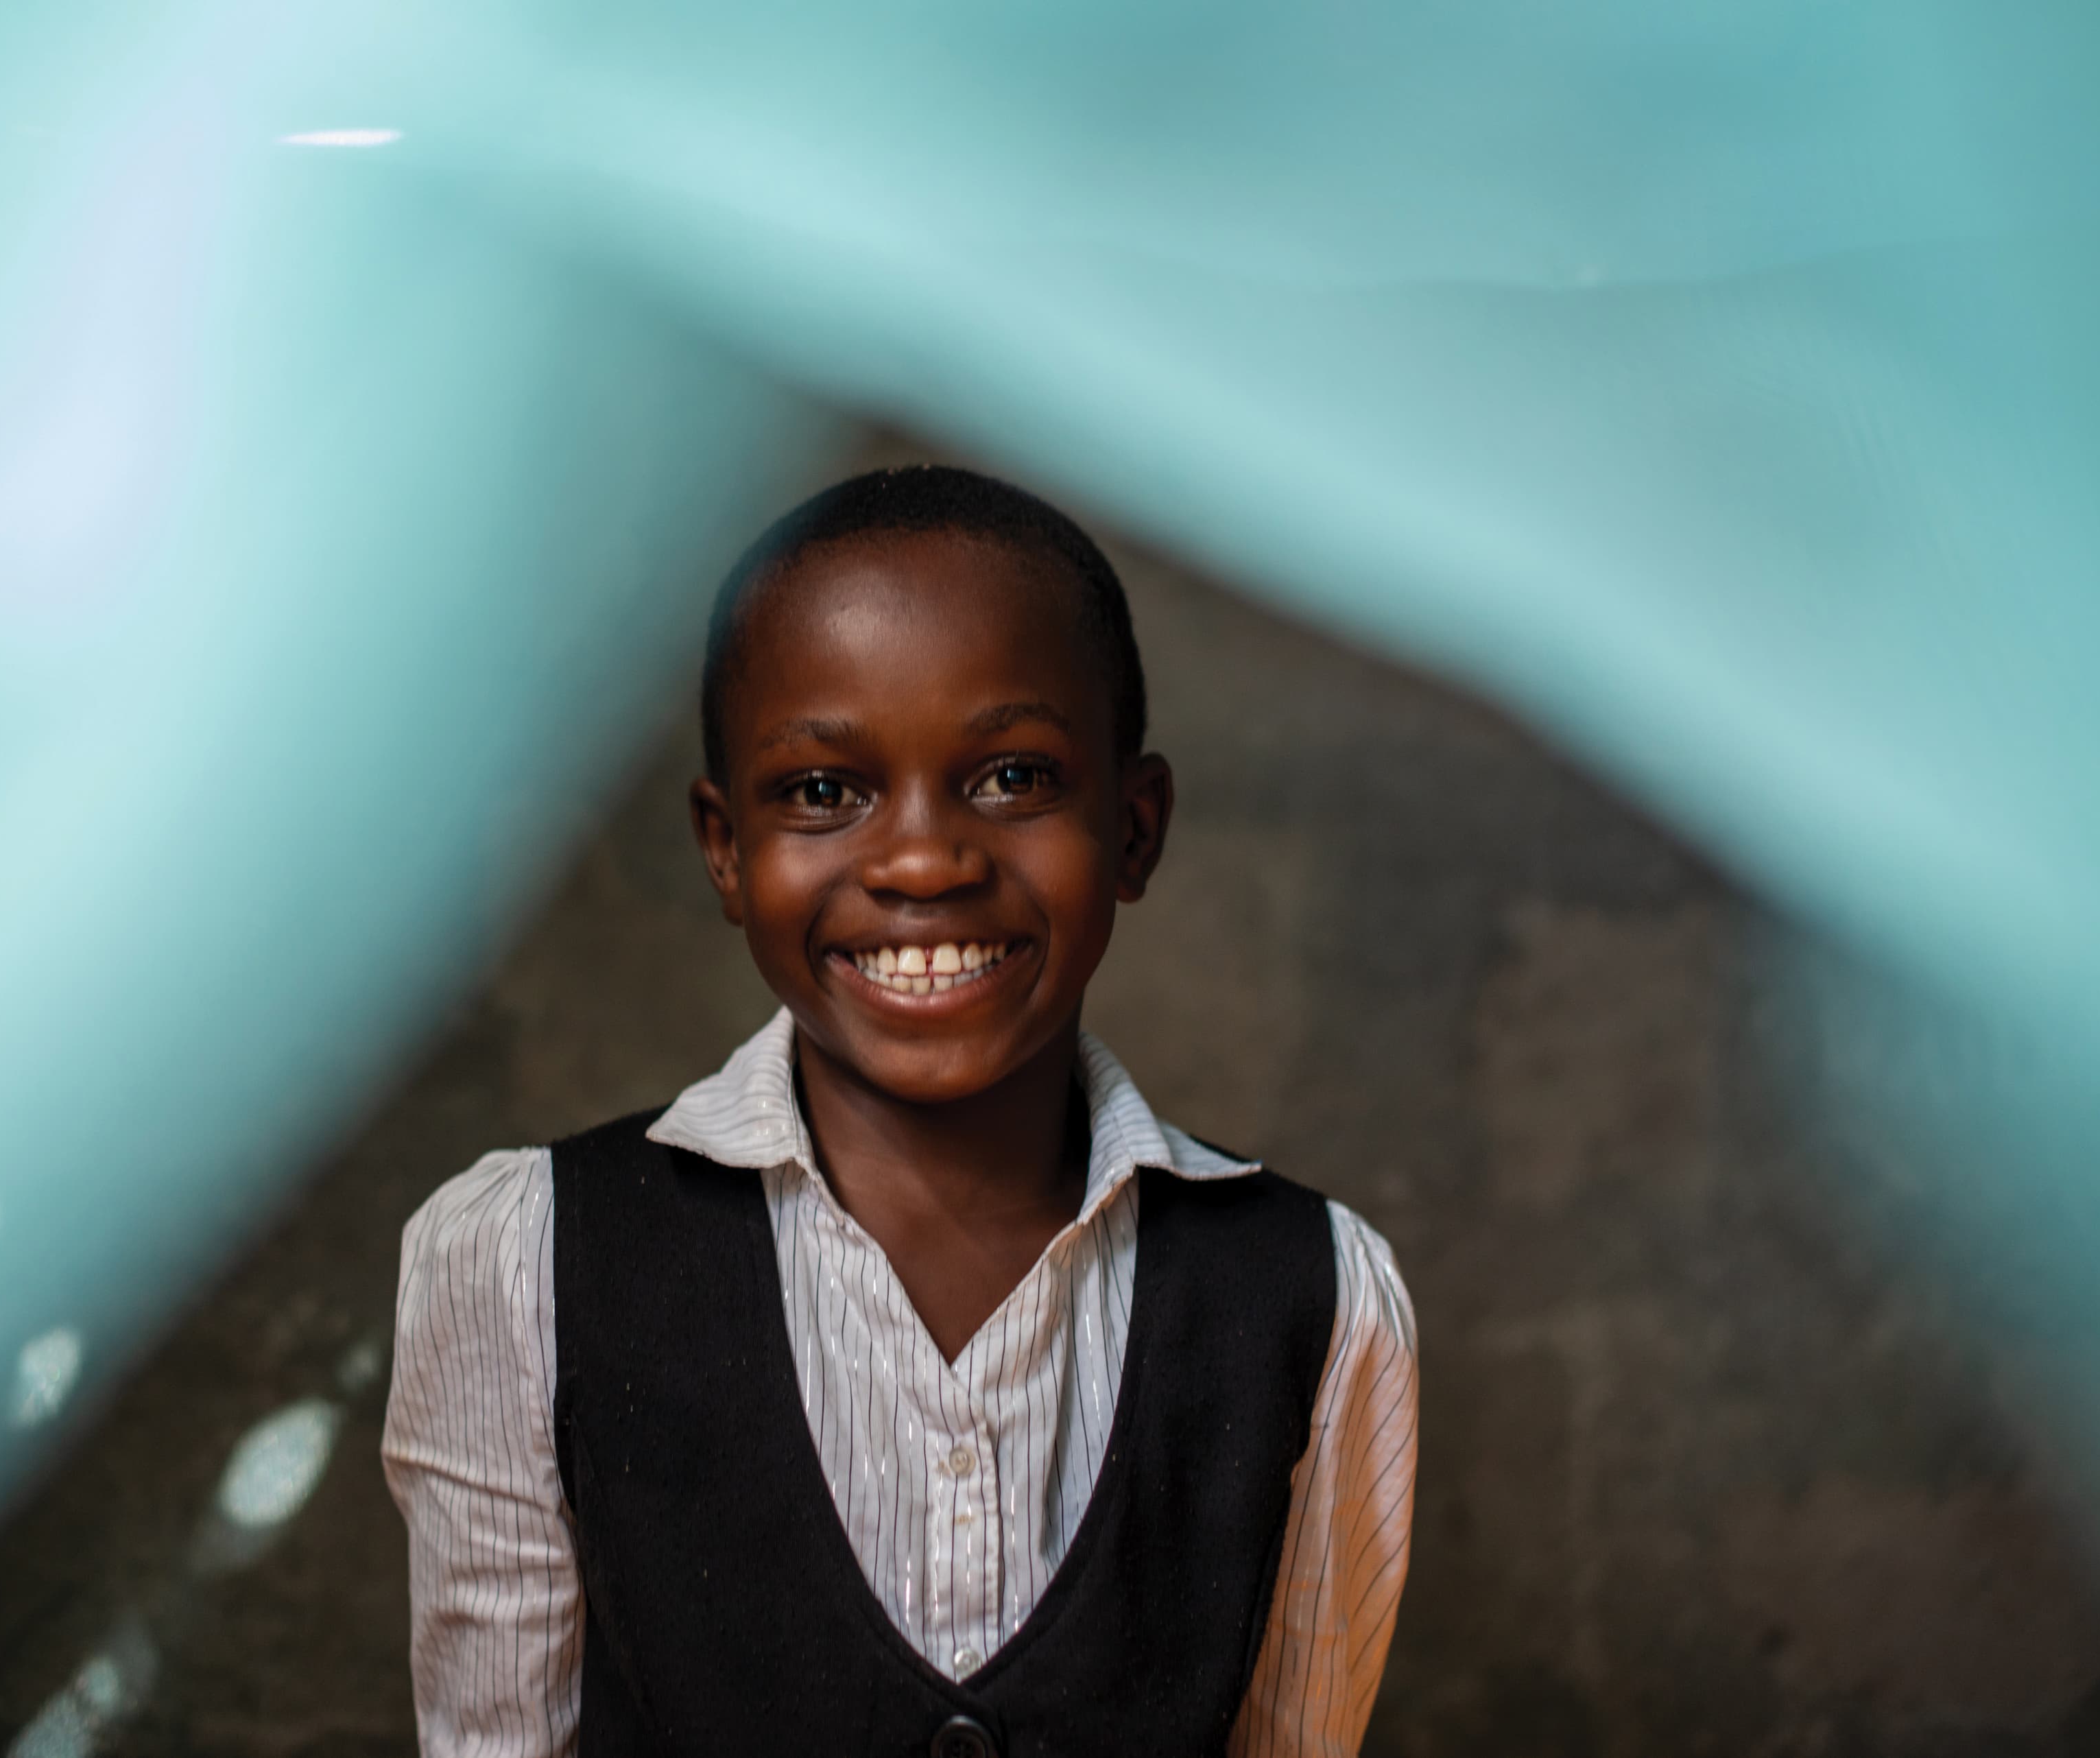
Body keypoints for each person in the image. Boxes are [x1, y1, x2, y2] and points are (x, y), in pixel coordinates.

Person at [383, 465, 1417, 1757]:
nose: (924, 860)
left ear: (1136, 828)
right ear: (724, 850)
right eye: (824, 792)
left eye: (1012, 777)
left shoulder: (1315, 1296)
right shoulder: (521, 1262)